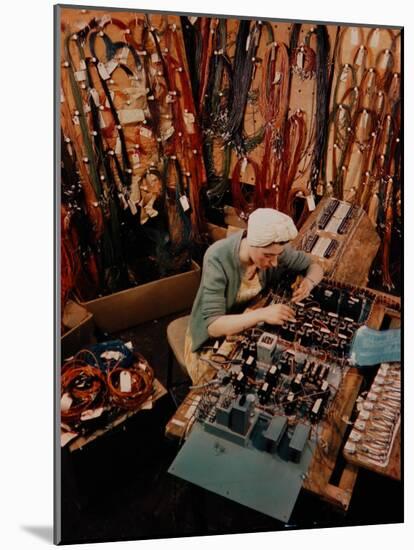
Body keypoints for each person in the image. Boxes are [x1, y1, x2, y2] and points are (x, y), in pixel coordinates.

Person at [184, 208, 324, 384]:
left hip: (245, 320)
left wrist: (308, 283)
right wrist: (262, 314)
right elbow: (213, 326)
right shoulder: (216, 257)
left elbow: (315, 267)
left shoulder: (276, 250)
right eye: (268, 256)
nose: (274, 263)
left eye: (277, 256)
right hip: (209, 340)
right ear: (252, 242)